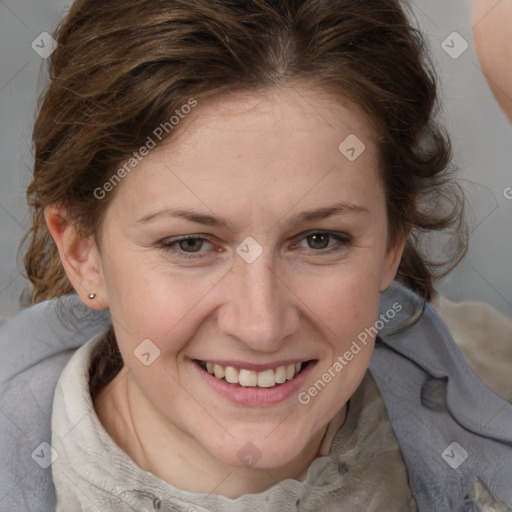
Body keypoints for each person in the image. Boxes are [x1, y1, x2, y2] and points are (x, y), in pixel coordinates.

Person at [0, 0, 511, 510]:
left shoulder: (498, 383)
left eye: (319, 239)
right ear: (81, 250)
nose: (261, 326)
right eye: (190, 244)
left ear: (393, 239)